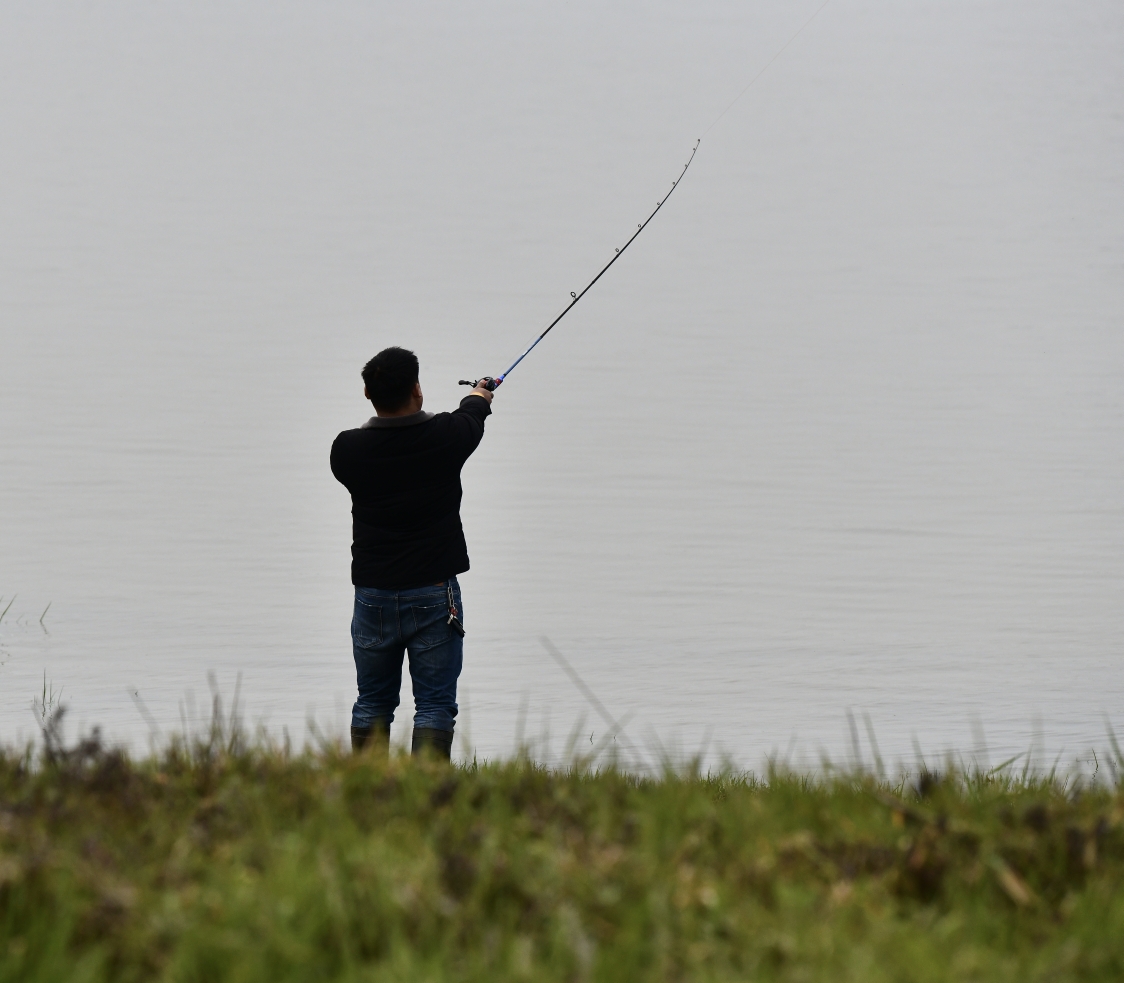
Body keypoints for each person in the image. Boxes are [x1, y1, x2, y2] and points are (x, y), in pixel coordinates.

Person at [330, 347, 495, 759]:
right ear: (417, 390)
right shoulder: (445, 438)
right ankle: (427, 800)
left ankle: (366, 794)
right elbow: (470, 418)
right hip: (434, 592)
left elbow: (454, 424)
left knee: (372, 702)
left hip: (374, 596)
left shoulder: (347, 451)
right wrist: (480, 393)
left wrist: (475, 401)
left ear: (367, 393)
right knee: (435, 707)